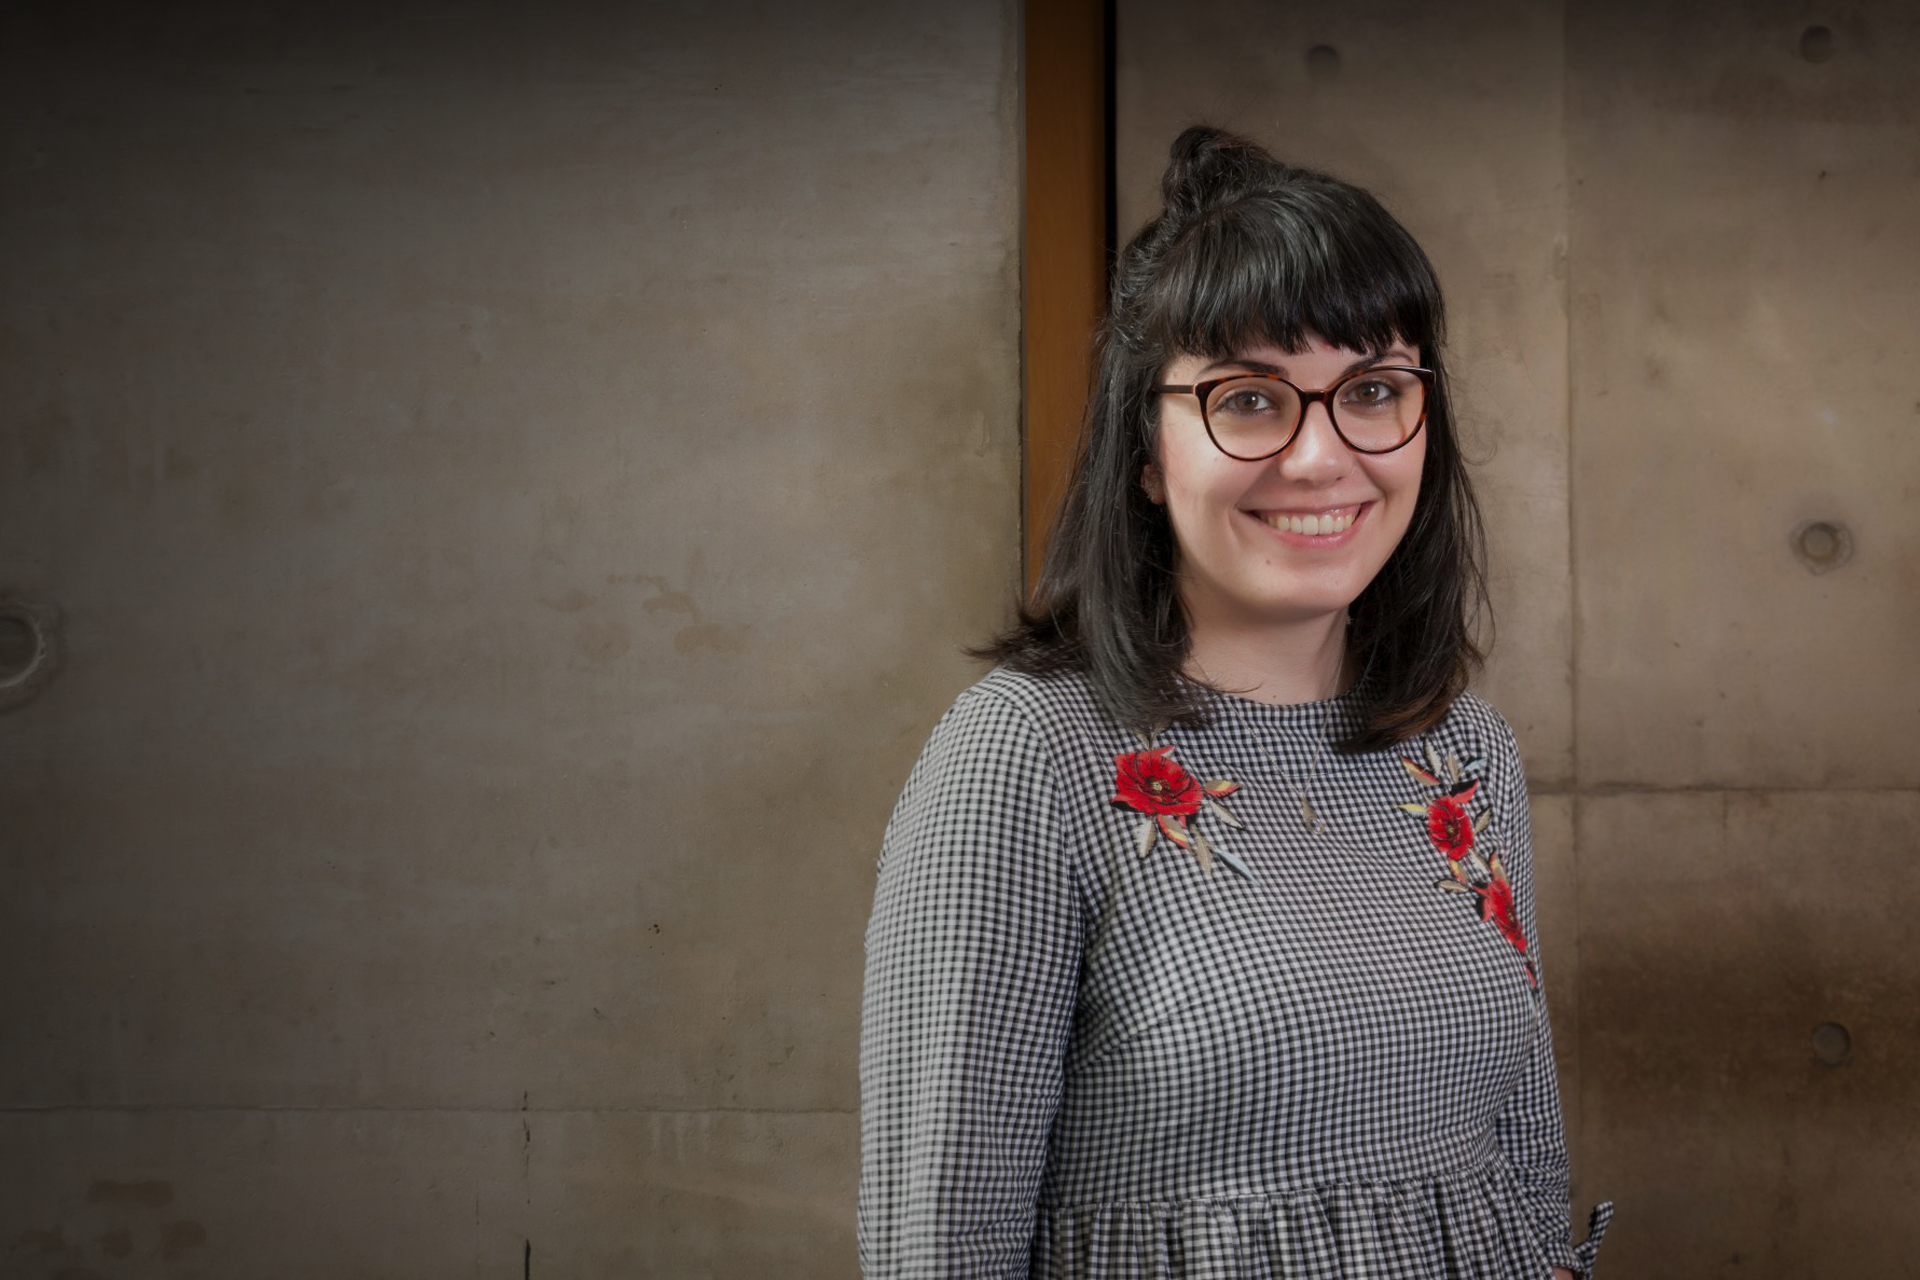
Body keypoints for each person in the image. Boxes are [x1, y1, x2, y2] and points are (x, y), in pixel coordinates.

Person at [858, 126, 1611, 1279]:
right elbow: (941, 1243)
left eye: (1371, 389)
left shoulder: (1462, 750)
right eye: (1250, 400)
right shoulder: (1027, 758)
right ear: (1147, 452)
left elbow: (1524, 1165)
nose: (1321, 457)